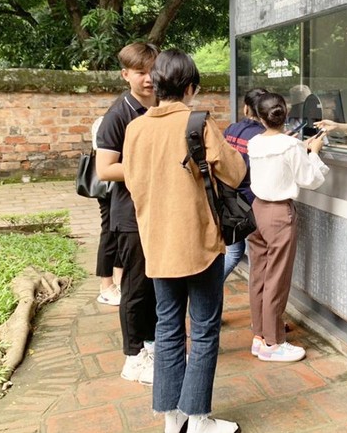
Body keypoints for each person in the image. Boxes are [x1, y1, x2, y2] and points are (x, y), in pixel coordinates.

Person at [123, 50, 246, 433]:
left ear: (156, 85)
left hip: (157, 244)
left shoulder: (136, 129)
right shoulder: (198, 123)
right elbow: (236, 173)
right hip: (199, 243)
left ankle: (171, 417)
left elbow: (131, 181)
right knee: (205, 328)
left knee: (168, 326)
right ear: (190, 86)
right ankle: (198, 418)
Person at [247, 92, 329, 362]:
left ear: (259, 117)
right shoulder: (289, 146)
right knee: (277, 278)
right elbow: (310, 179)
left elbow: (278, 154)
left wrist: (298, 148)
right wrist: (314, 154)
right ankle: (273, 342)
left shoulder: (255, 142)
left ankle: (260, 336)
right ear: (285, 113)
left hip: (257, 211)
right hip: (279, 214)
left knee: (259, 274)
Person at [95, 41, 160, 386]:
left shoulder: (160, 106)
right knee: (134, 288)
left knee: (151, 286)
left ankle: (150, 347)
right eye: (140, 72)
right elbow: (105, 169)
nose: (149, 79)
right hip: (130, 216)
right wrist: (150, 166)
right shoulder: (118, 114)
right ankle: (132, 357)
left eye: (152, 71)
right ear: (126, 75)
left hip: (155, 211)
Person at [222, 87, 268, 280]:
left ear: (246, 108)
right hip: (250, 202)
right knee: (239, 253)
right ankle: (207, 290)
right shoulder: (263, 136)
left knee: (234, 250)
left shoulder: (232, 129)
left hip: (229, 198)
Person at [92, 116, 122, 306]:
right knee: (109, 233)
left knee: (120, 232)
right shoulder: (108, 121)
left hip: (120, 187)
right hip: (109, 186)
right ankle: (105, 286)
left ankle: (118, 283)